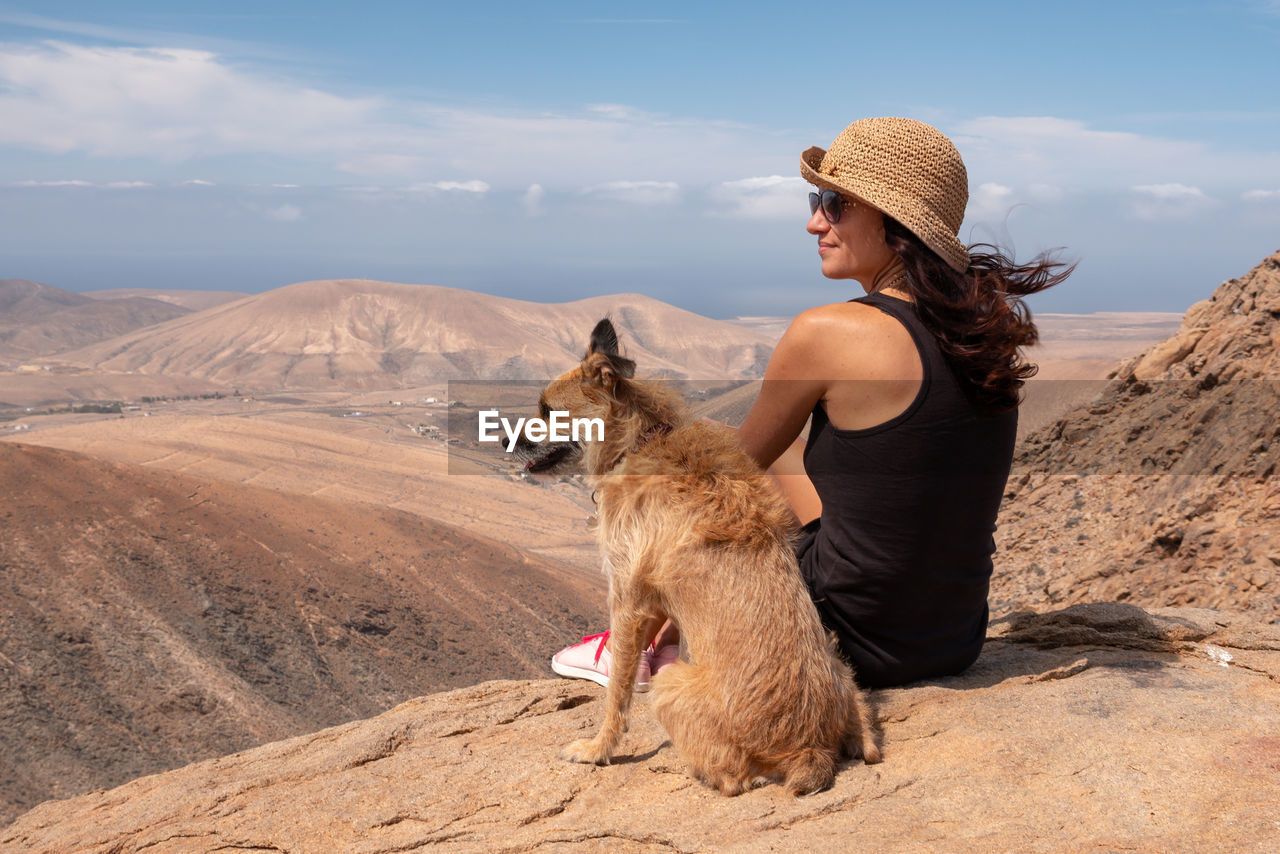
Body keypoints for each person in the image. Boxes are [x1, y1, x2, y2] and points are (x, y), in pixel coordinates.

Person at [551, 117, 1071, 690]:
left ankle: (642, 646)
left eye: (834, 203)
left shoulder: (828, 331)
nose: (814, 221)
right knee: (778, 451)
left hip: (840, 640)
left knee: (702, 485)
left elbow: (723, 476)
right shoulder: (980, 334)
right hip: (952, 640)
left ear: (892, 219)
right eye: (816, 199)